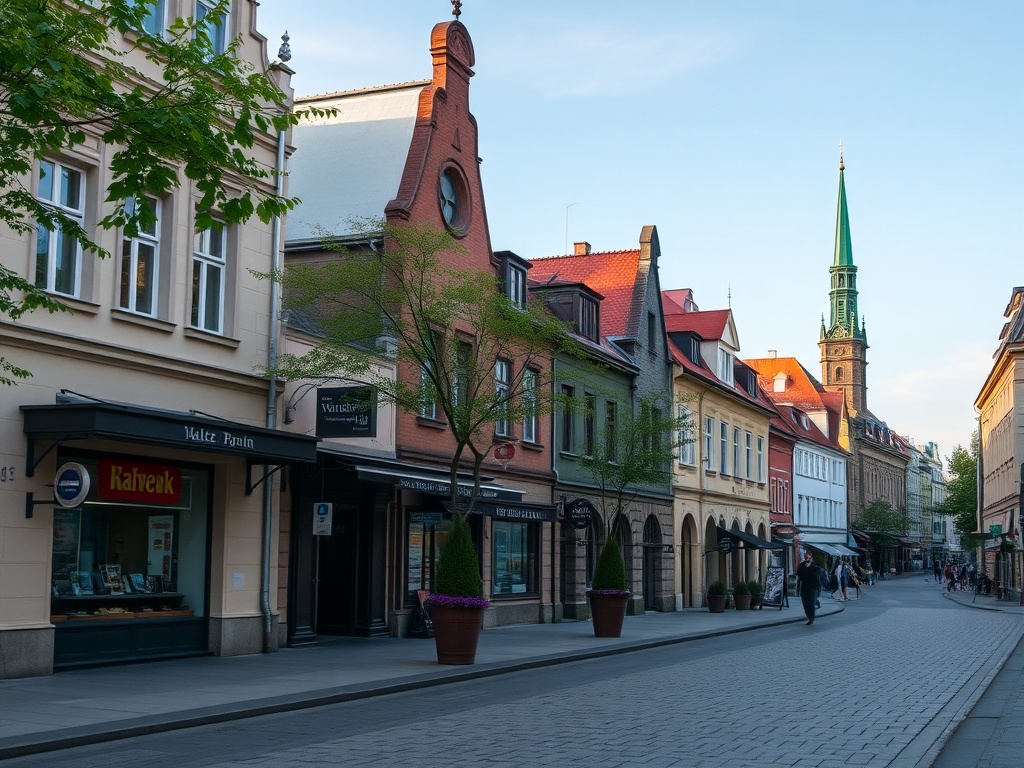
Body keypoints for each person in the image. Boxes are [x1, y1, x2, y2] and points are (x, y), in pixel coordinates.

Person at [796, 550, 821, 625]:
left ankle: (811, 618)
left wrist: (818, 587)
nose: (806, 557)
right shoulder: (802, 565)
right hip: (804, 587)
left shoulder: (814, 566)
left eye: (808, 556)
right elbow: (798, 575)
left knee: (811, 602)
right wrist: (798, 588)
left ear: (811, 557)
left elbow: (817, 574)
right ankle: (808, 616)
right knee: (805, 603)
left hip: (812, 587)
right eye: (805, 556)